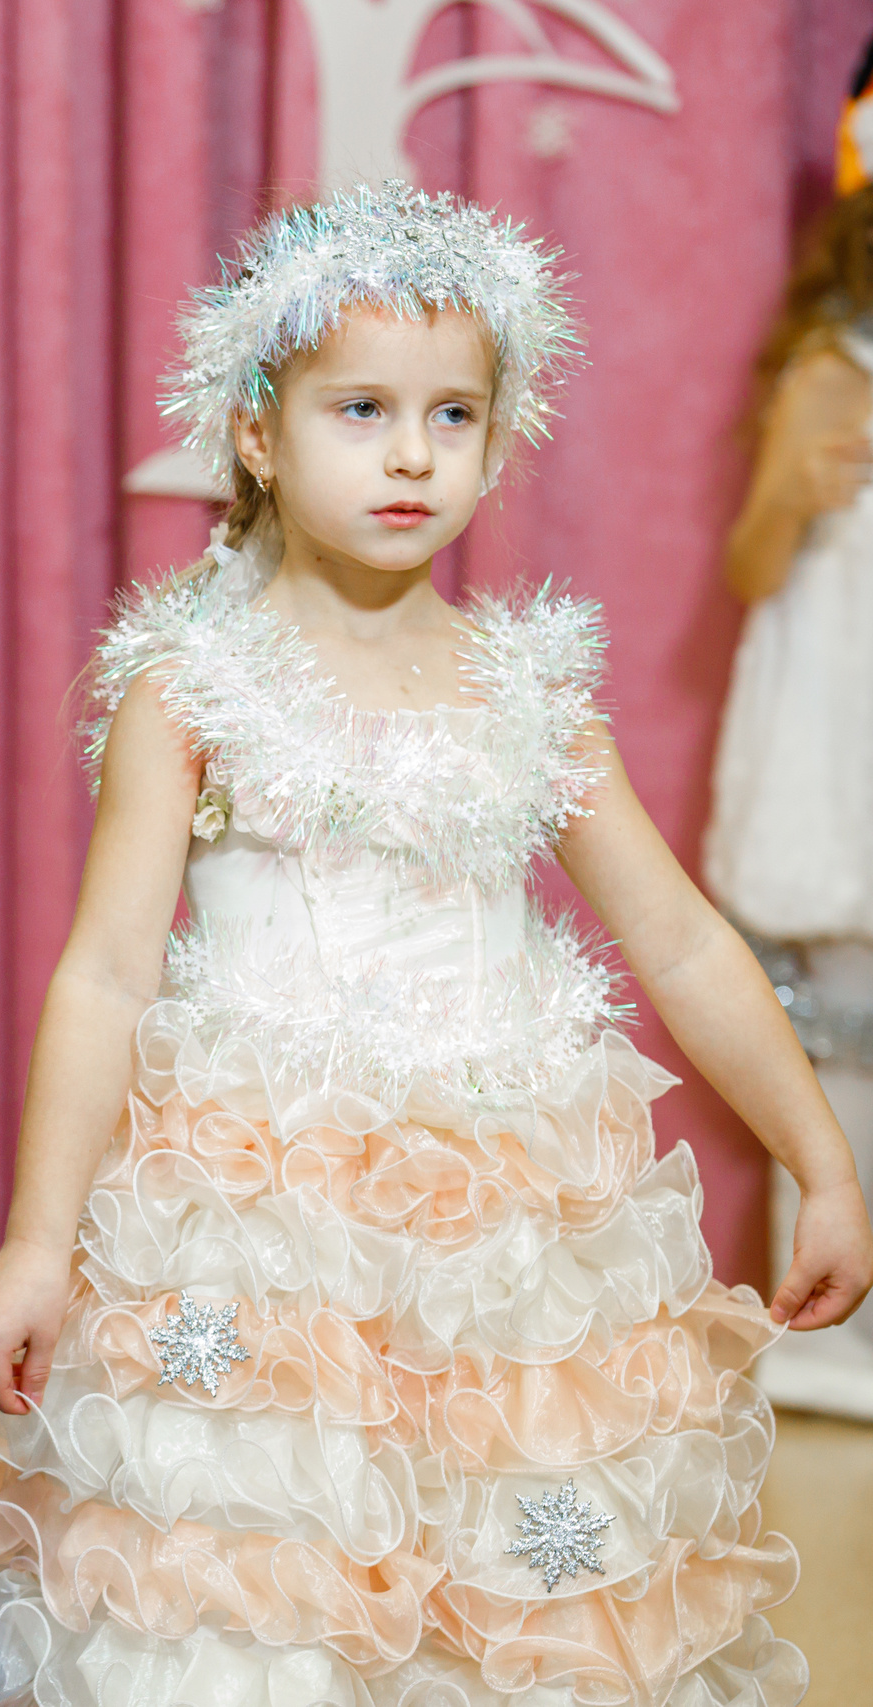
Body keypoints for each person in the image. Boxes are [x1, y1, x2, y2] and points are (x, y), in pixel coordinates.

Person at [0, 181, 867, 1706]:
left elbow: (681, 940)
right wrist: (44, 1238)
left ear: (497, 439)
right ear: (259, 430)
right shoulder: (193, 683)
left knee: (511, 1604)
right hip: (259, 1236)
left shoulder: (530, 690)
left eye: (453, 416)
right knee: (268, 1618)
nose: (408, 453)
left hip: (507, 1237)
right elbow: (107, 972)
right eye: (362, 407)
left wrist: (820, 1160)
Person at [707, 38, 873, 1423]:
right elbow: (752, 562)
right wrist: (806, 490)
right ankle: (826, 1330)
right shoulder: (834, 363)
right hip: (842, 719)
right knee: (832, 1025)